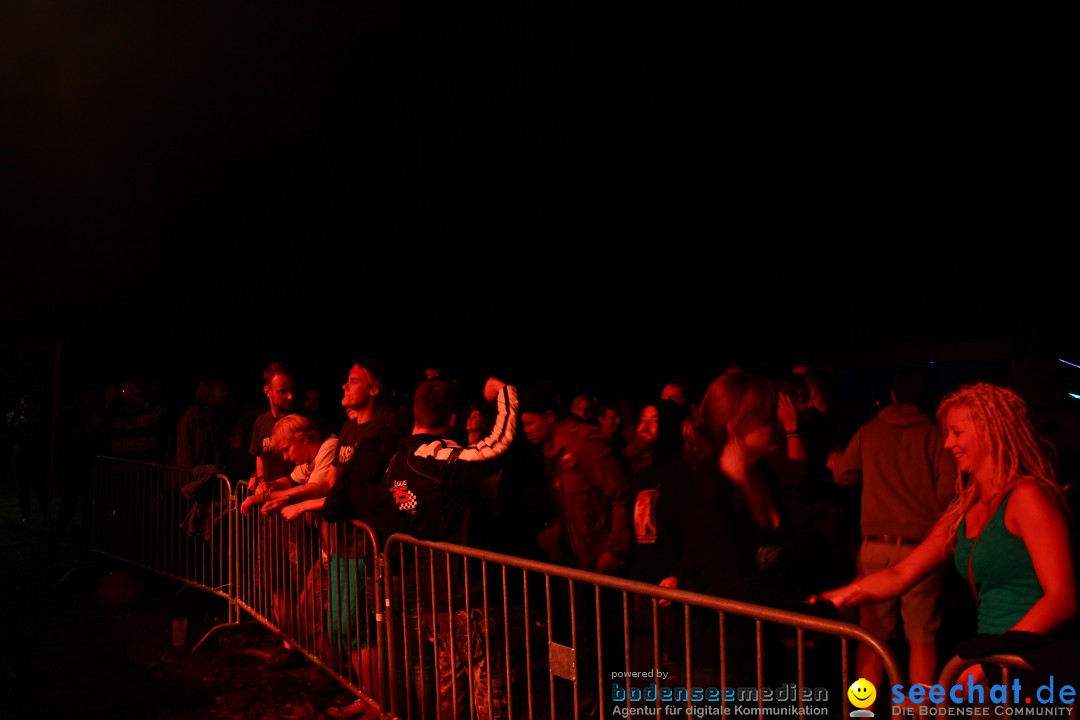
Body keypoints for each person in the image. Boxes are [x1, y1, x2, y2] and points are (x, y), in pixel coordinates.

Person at [814, 381, 1076, 690]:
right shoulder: (967, 506)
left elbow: (1062, 598)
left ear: (991, 430)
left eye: (957, 432)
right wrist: (836, 597)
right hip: (992, 663)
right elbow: (902, 572)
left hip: (1028, 664)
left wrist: (994, 656)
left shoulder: (1027, 495)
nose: (948, 444)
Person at [831, 369, 957, 695]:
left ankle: (863, 710)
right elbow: (948, 492)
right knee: (922, 637)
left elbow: (843, 475)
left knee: (872, 635)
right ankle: (919, 713)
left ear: (891, 395)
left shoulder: (869, 431)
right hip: (921, 549)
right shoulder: (935, 435)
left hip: (874, 547)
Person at [174, 378, 229, 469]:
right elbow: (184, 452)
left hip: (211, 474)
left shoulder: (217, 416)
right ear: (209, 393)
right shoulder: (192, 417)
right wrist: (189, 475)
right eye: (221, 390)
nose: (226, 393)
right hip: (195, 476)